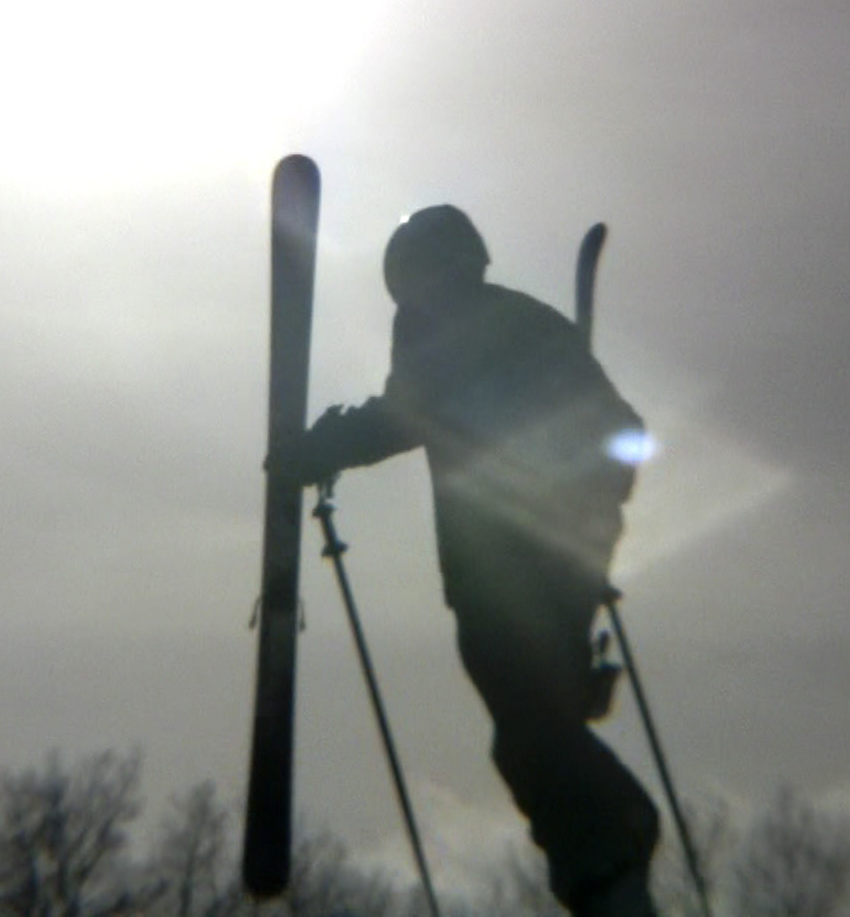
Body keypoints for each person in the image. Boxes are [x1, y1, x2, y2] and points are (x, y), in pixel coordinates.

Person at [268, 206, 661, 917]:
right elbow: (621, 431)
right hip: (556, 546)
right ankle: (606, 862)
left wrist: (321, 449)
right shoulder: (528, 320)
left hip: (505, 556)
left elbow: (411, 412)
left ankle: (609, 850)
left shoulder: (448, 322)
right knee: (535, 716)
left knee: (527, 724)